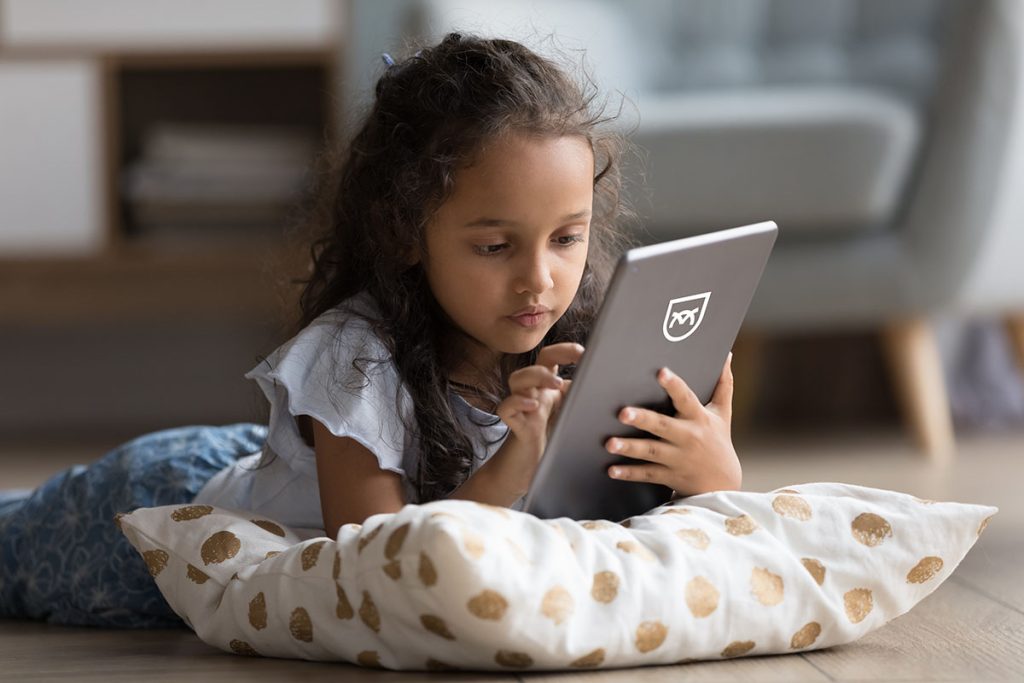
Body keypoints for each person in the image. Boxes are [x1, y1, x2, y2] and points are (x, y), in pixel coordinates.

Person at [0, 33, 740, 629]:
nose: (539, 279)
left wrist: (711, 472)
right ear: (405, 230)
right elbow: (379, 564)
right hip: (151, 501)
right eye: (495, 245)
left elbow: (644, 519)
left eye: (568, 238)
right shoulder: (355, 357)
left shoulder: (583, 338)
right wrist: (513, 462)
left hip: (268, 461)